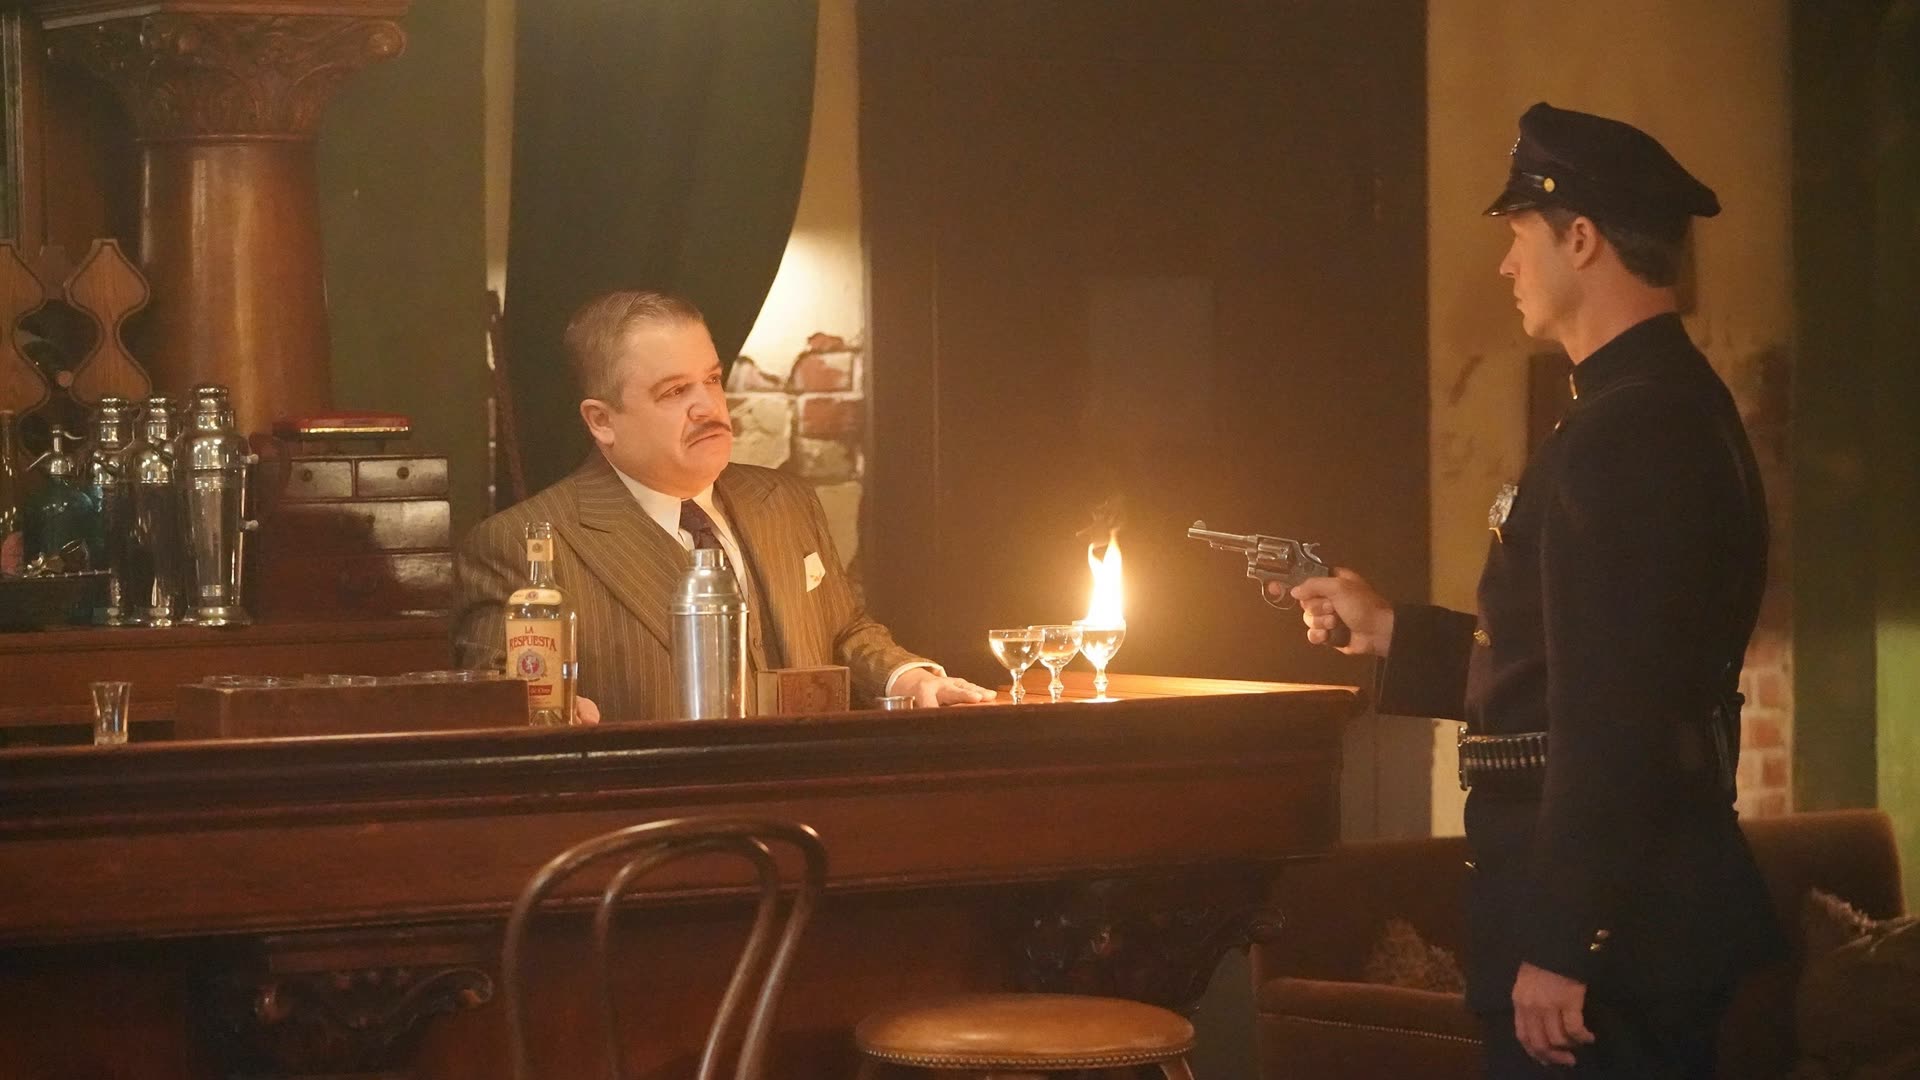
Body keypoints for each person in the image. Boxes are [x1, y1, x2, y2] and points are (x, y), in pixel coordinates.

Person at [1280, 103, 1785, 1078]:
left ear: (1581, 239)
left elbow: (1617, 714)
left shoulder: (1632, 431)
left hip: (1618, 949)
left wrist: (1563, 942)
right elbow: (1568, 663)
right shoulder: (1643, 407)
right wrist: (1389, 631)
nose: (1508, 266)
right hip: (1630, 930)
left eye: (1520, 237)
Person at [454, 289, 992, 722]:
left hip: (813, 798)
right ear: (602, 421)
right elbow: (495, 704)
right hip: (657, 812)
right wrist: (546, 715)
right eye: (674, 392)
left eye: (712, 380)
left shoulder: (786, 501)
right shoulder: (521, 542)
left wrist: (909, 678)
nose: (707, 406)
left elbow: (845, 630)